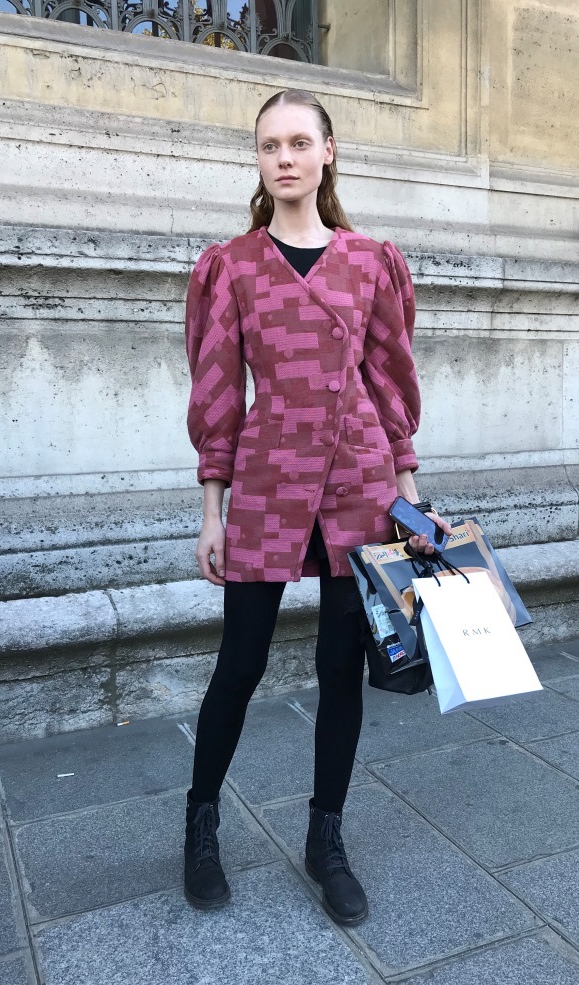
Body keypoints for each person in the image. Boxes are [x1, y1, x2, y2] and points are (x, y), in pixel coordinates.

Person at [183, 88, 450, 925]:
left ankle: (325, 840)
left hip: (360, 483)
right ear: (259, 160)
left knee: (342, 668)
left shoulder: (372, 261)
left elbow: (391, 390)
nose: (285, 158)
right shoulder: (230, 265)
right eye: (270, 146)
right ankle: (200, 825)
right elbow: (217, 394)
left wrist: (413, 507)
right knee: (240, 663)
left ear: (328, 151)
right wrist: (212, 511)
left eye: (300, 142)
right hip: (266, 484)